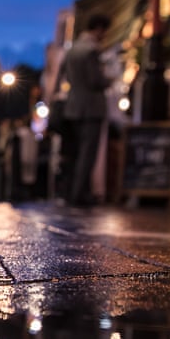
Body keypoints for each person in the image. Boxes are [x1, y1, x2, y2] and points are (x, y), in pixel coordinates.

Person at [60, 14, 111, 207]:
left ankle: (73, 191)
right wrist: (110, 79)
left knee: (75, 152)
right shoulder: (91, 51)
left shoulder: (72, 50)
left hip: (73, 107)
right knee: (87, 152)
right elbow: (95, 81)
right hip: (90, 107)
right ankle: (79, 193)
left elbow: (63, 75)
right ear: (98, 28)